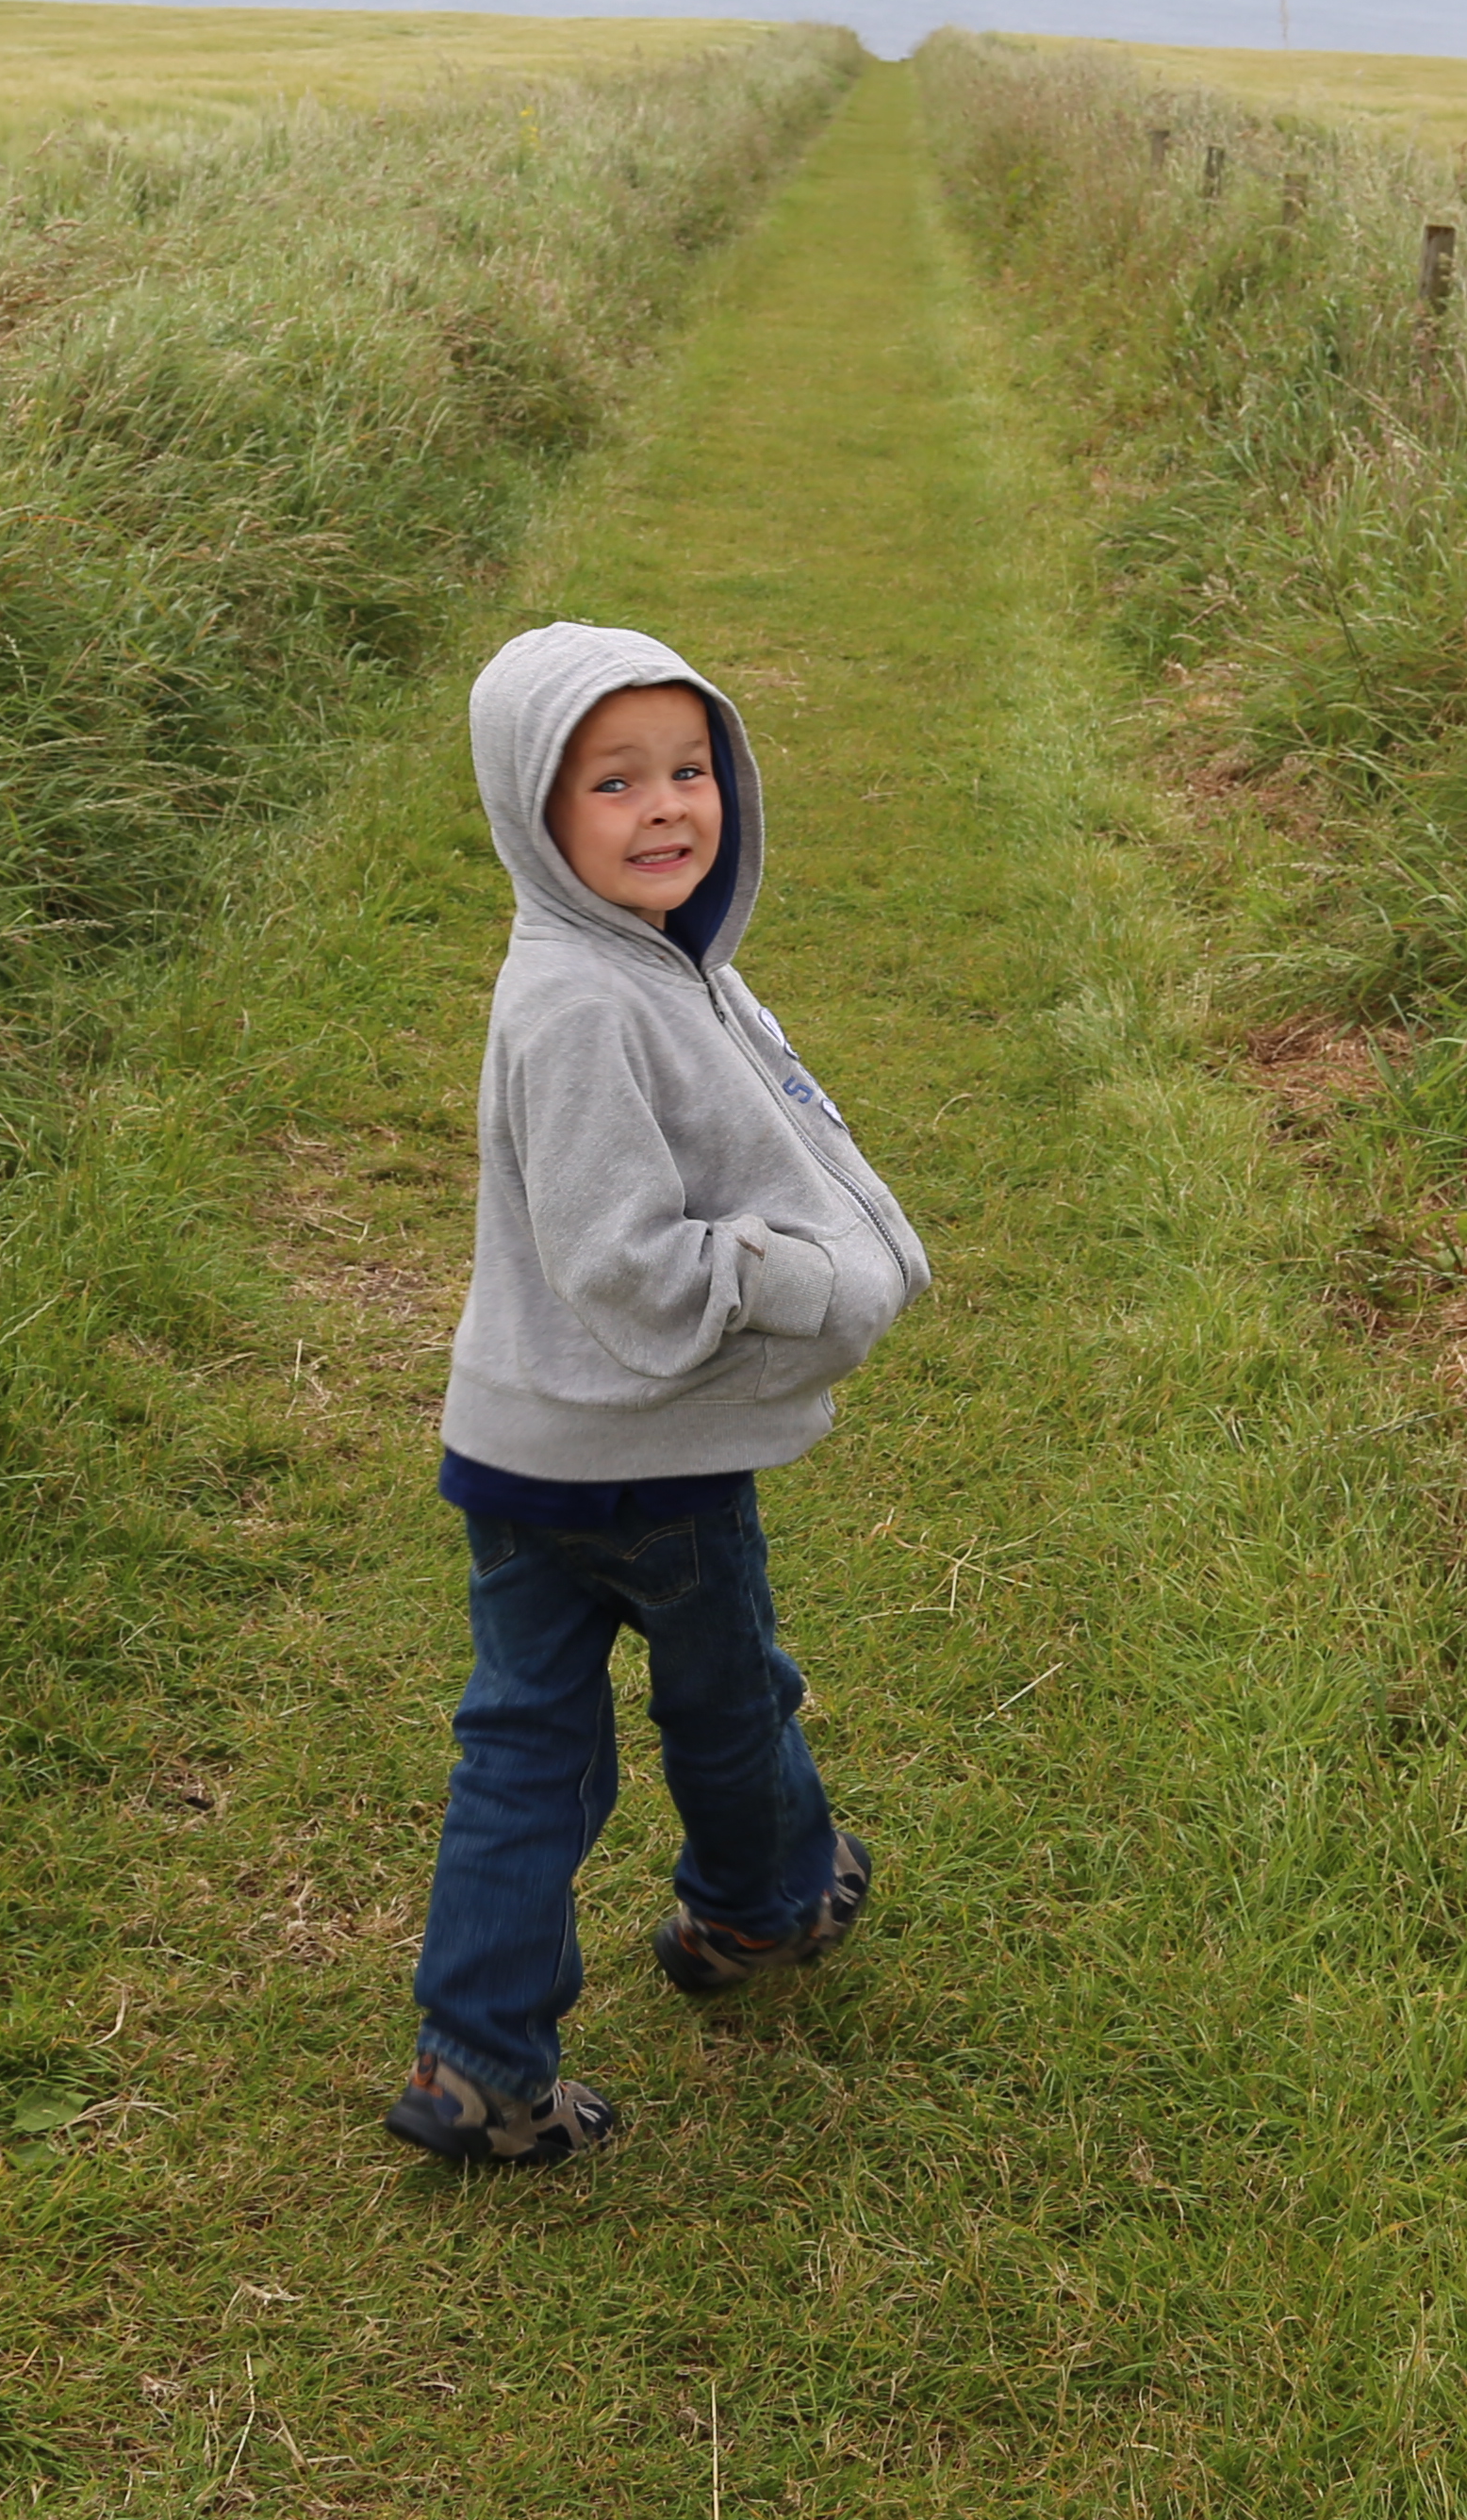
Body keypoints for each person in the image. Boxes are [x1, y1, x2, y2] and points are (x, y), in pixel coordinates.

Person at [387, 620, 932, 2167]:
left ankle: (476, 2061)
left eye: (688, 768)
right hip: (645, 1451)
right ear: (531, 814)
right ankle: (758, 1907)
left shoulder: (653, 963)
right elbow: (623, 1261)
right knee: (725, 1692)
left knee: (528, 1741)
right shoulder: (581, 1002)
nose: (668, 808)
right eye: (613, 782)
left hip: (524, 1449)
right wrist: (793, 1282)